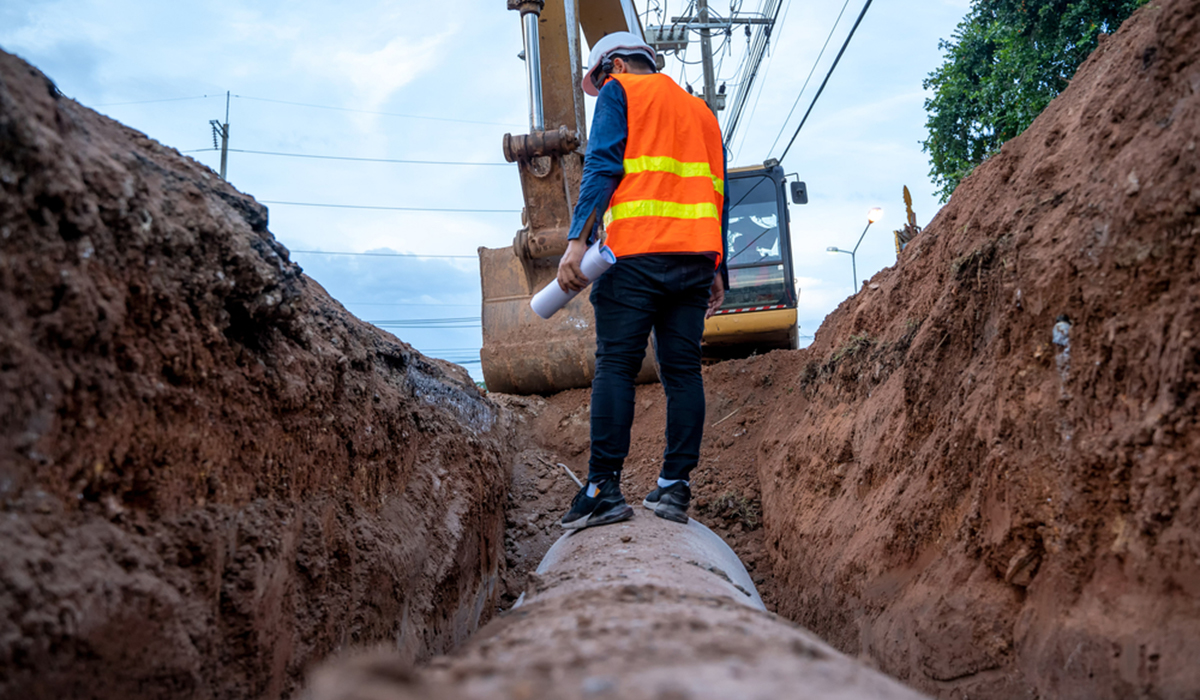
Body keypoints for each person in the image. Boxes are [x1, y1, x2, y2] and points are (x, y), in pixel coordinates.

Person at [556, 32, 729, 530]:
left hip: (634, 256)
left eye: (603, 76)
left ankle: (601, 489)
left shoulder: (620, 92)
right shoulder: (701, 111)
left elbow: (603, 166)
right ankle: (675, 488)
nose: (603, 84)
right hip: (695, 261)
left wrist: (577, 240)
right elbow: (718, 190)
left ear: (615, 65)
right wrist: (717, 269)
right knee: (682, 371)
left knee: (616, 365)